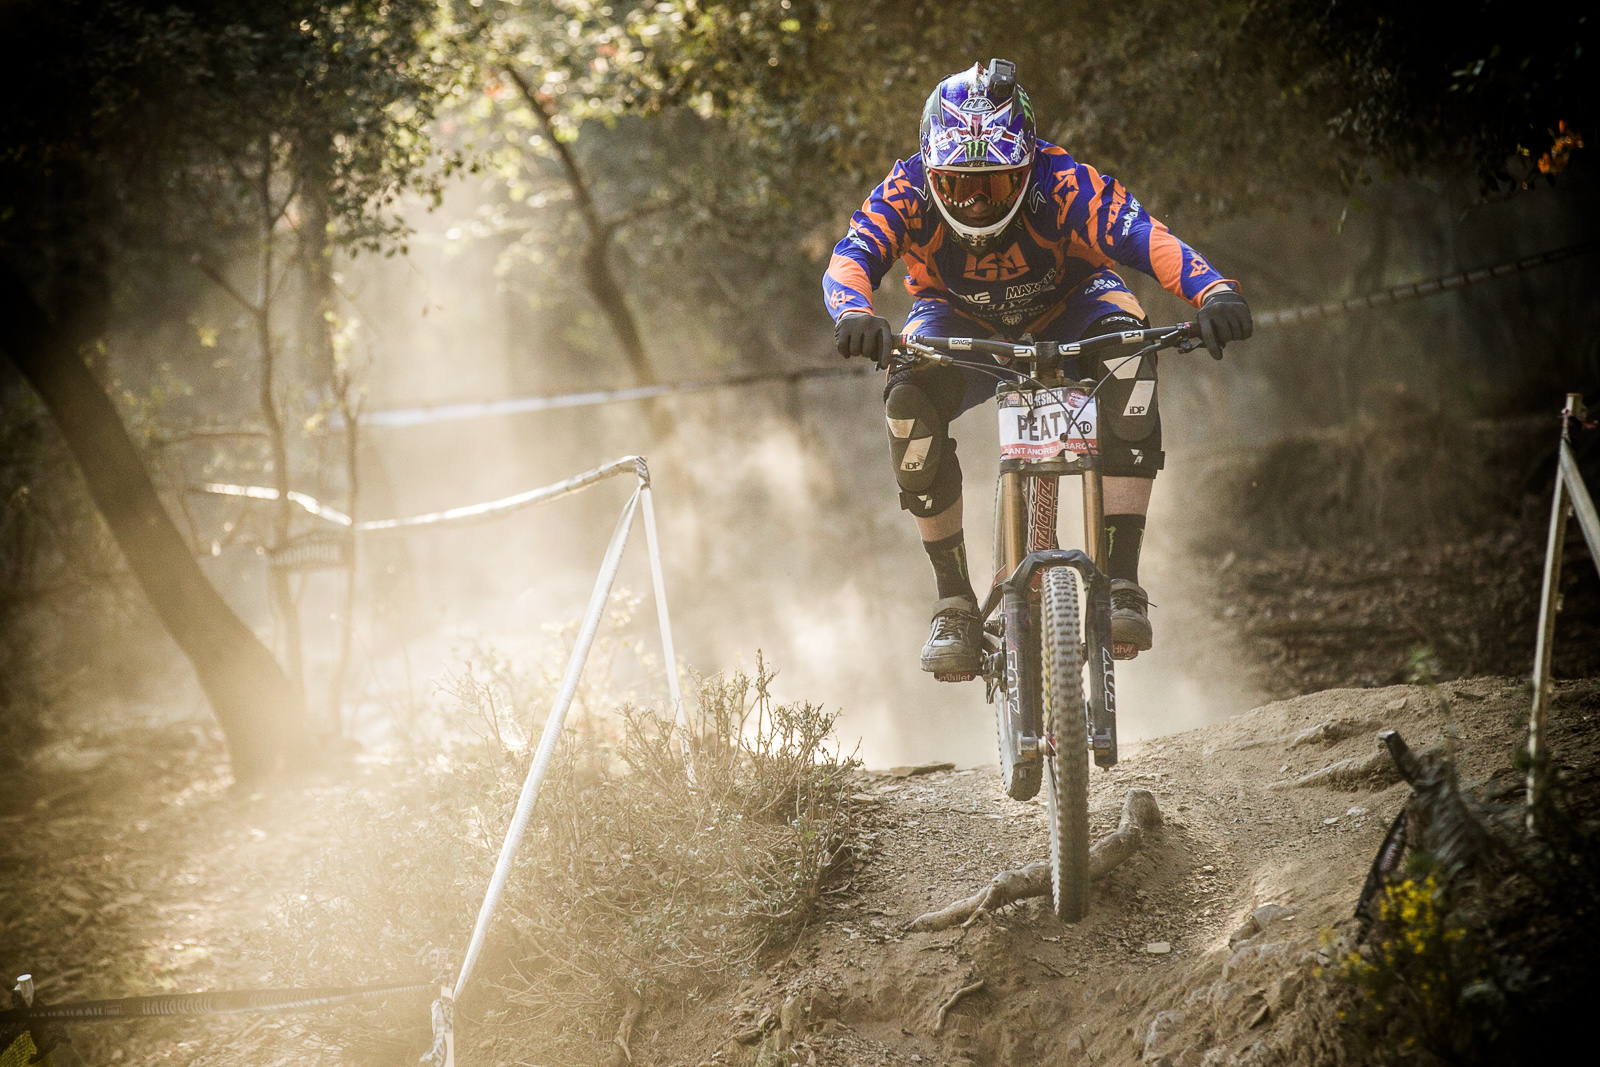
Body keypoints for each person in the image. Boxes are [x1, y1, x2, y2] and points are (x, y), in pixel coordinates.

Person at [822, 59, 1252, 676]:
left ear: (1026, 168)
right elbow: (851, 257)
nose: (975, 202)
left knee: (1131, 360)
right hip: (958, 318)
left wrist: (1213, 292)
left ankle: (1123, 583)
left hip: (1075, 304)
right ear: (930, 169)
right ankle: (954, 604)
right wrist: (854, 313)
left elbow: (1143, 235)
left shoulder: (1063, 181)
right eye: (957, 185)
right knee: (907, 403)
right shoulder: (906, 189)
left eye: (995, 185)